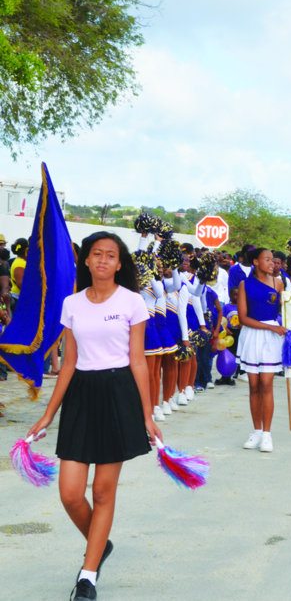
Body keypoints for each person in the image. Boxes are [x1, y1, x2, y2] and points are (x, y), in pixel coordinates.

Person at [28, 231, 161, 601]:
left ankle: (88, 576)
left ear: (120, 263)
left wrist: (147, 415)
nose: (102, 260)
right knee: (71, 494)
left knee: (103, 491)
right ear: (86, 260)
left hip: (119, 395)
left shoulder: (133, 302)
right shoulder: (72, 304)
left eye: (110, 255)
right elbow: (68, 364)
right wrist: (48, 414)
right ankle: (100, 544)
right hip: (81, 396)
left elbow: (138, 361)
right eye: (96, 254)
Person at [237, 248, 286, 452]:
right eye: (267, 259)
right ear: (255, 262)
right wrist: (269, 326)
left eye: (273, 260)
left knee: (267, 384)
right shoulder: (244, 285)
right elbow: (243, 318)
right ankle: (256, 431)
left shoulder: (279, 283)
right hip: (252, 335)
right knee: (254, 386)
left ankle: (267, 434)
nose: (272, 263)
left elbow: (284, 309)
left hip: (271, 339)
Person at [9, 236, 27, 311]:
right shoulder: (19, 264)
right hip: (17, 298)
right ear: (26, 249)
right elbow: (20, 284)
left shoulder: (21, 261)